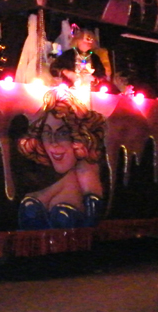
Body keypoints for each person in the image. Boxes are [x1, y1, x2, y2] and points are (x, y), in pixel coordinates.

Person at [17, 89, 106, 229]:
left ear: (78, 136)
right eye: (47, 133)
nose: (53, 143)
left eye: (63, 133)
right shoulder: (45, 176)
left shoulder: (86, 170)